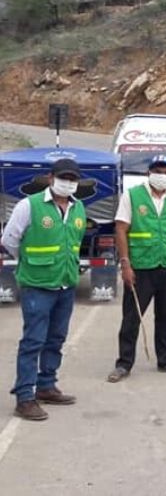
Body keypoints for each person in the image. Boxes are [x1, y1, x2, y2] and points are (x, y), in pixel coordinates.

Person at [2, 158, 86, 421]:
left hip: (65, 283)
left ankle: (46, 385)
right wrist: (31, 261)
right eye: (63, 177)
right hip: (37, 285)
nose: (68, 182)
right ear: (51, 177)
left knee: (56, 338)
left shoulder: (78, 207)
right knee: (33, 341)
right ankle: (25, 397)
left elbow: (74, 243)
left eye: (73, 179)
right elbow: (9, 240)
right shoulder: (30, 205)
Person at [107, 155, 166, 382]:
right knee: (132, 317)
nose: (162, 175)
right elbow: (121, 229)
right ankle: (124, 363)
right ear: (149, 173)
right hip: (141, 266)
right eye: (158, 170)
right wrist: (125, 264)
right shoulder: (132, 195)